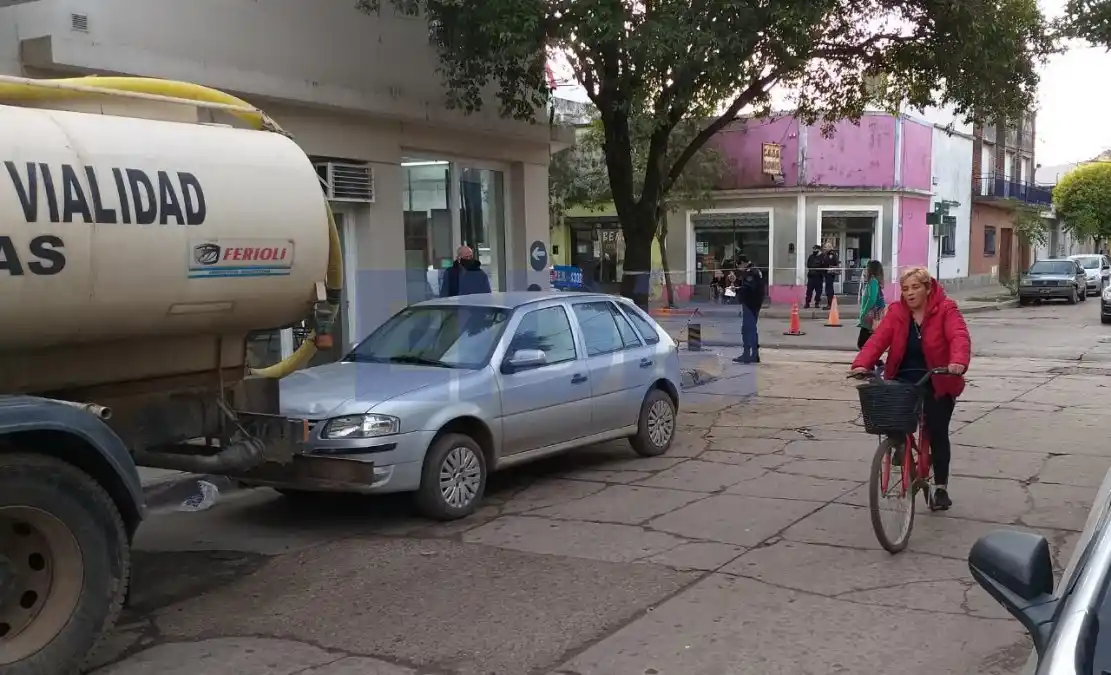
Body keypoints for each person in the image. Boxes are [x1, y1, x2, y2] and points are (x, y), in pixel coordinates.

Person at [850, 266, 971, 511]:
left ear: (928, 288)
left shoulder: (946, 309)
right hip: (904, 377)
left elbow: (959, 336)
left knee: (937, 431)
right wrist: (862, 364)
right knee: (894, 419)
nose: (910, 293)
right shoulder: (897, 312)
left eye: (915, 287)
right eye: (905, 289)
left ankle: (940, 488)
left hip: (938, 377)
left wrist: (957, 362)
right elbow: (877, 340)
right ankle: (899, 445)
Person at [732, 257, 765, 364]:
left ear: (743, 263)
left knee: (748, 329)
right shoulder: (756, 270)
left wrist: (736, 290)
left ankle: (750, 354)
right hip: (755, 303)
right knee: (749, 329)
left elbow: (748, 288)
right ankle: (751, 354)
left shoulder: (751, 272)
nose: (739, 269)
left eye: (739, 266)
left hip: (750, 304)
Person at [856, 260, 887, 373]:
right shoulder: (873, 282)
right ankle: (873, 365)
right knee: (867, 343)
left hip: (871, 316)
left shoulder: (873, 282)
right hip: (873, 315)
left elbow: (872, 299)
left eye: (866, 268)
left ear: (871, 270)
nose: (865, 270)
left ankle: (875, 364)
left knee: (862, 343)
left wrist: (864, 311)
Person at [821, 240, 840, 310]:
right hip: (827, 273)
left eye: (826, 247)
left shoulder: (832, 254)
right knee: (828, 288)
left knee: (829, 289)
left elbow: (830, 263)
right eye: (825, 247)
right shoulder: (827, 254)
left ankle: (830, 304)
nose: (825, 248)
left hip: (830, 273)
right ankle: (829, 304)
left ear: (830, 247)